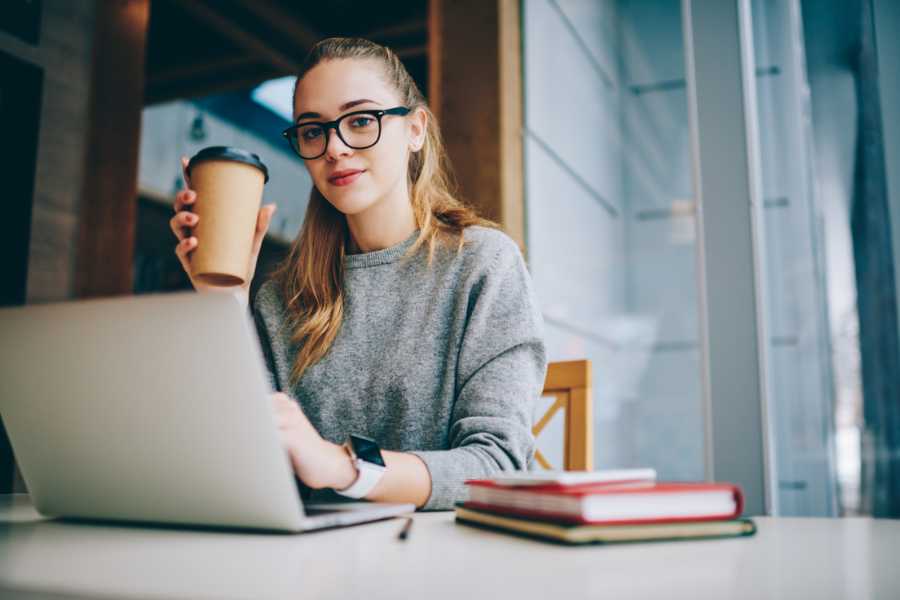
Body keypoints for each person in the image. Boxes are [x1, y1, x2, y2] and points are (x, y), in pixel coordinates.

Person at [169, 37, 547, 511]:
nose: (335, 147)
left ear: (415, 130)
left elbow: (498, 466)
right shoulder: (279, 298)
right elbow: (243, 467)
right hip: (306, 569)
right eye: (313, 131)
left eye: (361, 120)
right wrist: (222, 299)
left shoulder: (483, 265)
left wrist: (344, 466)